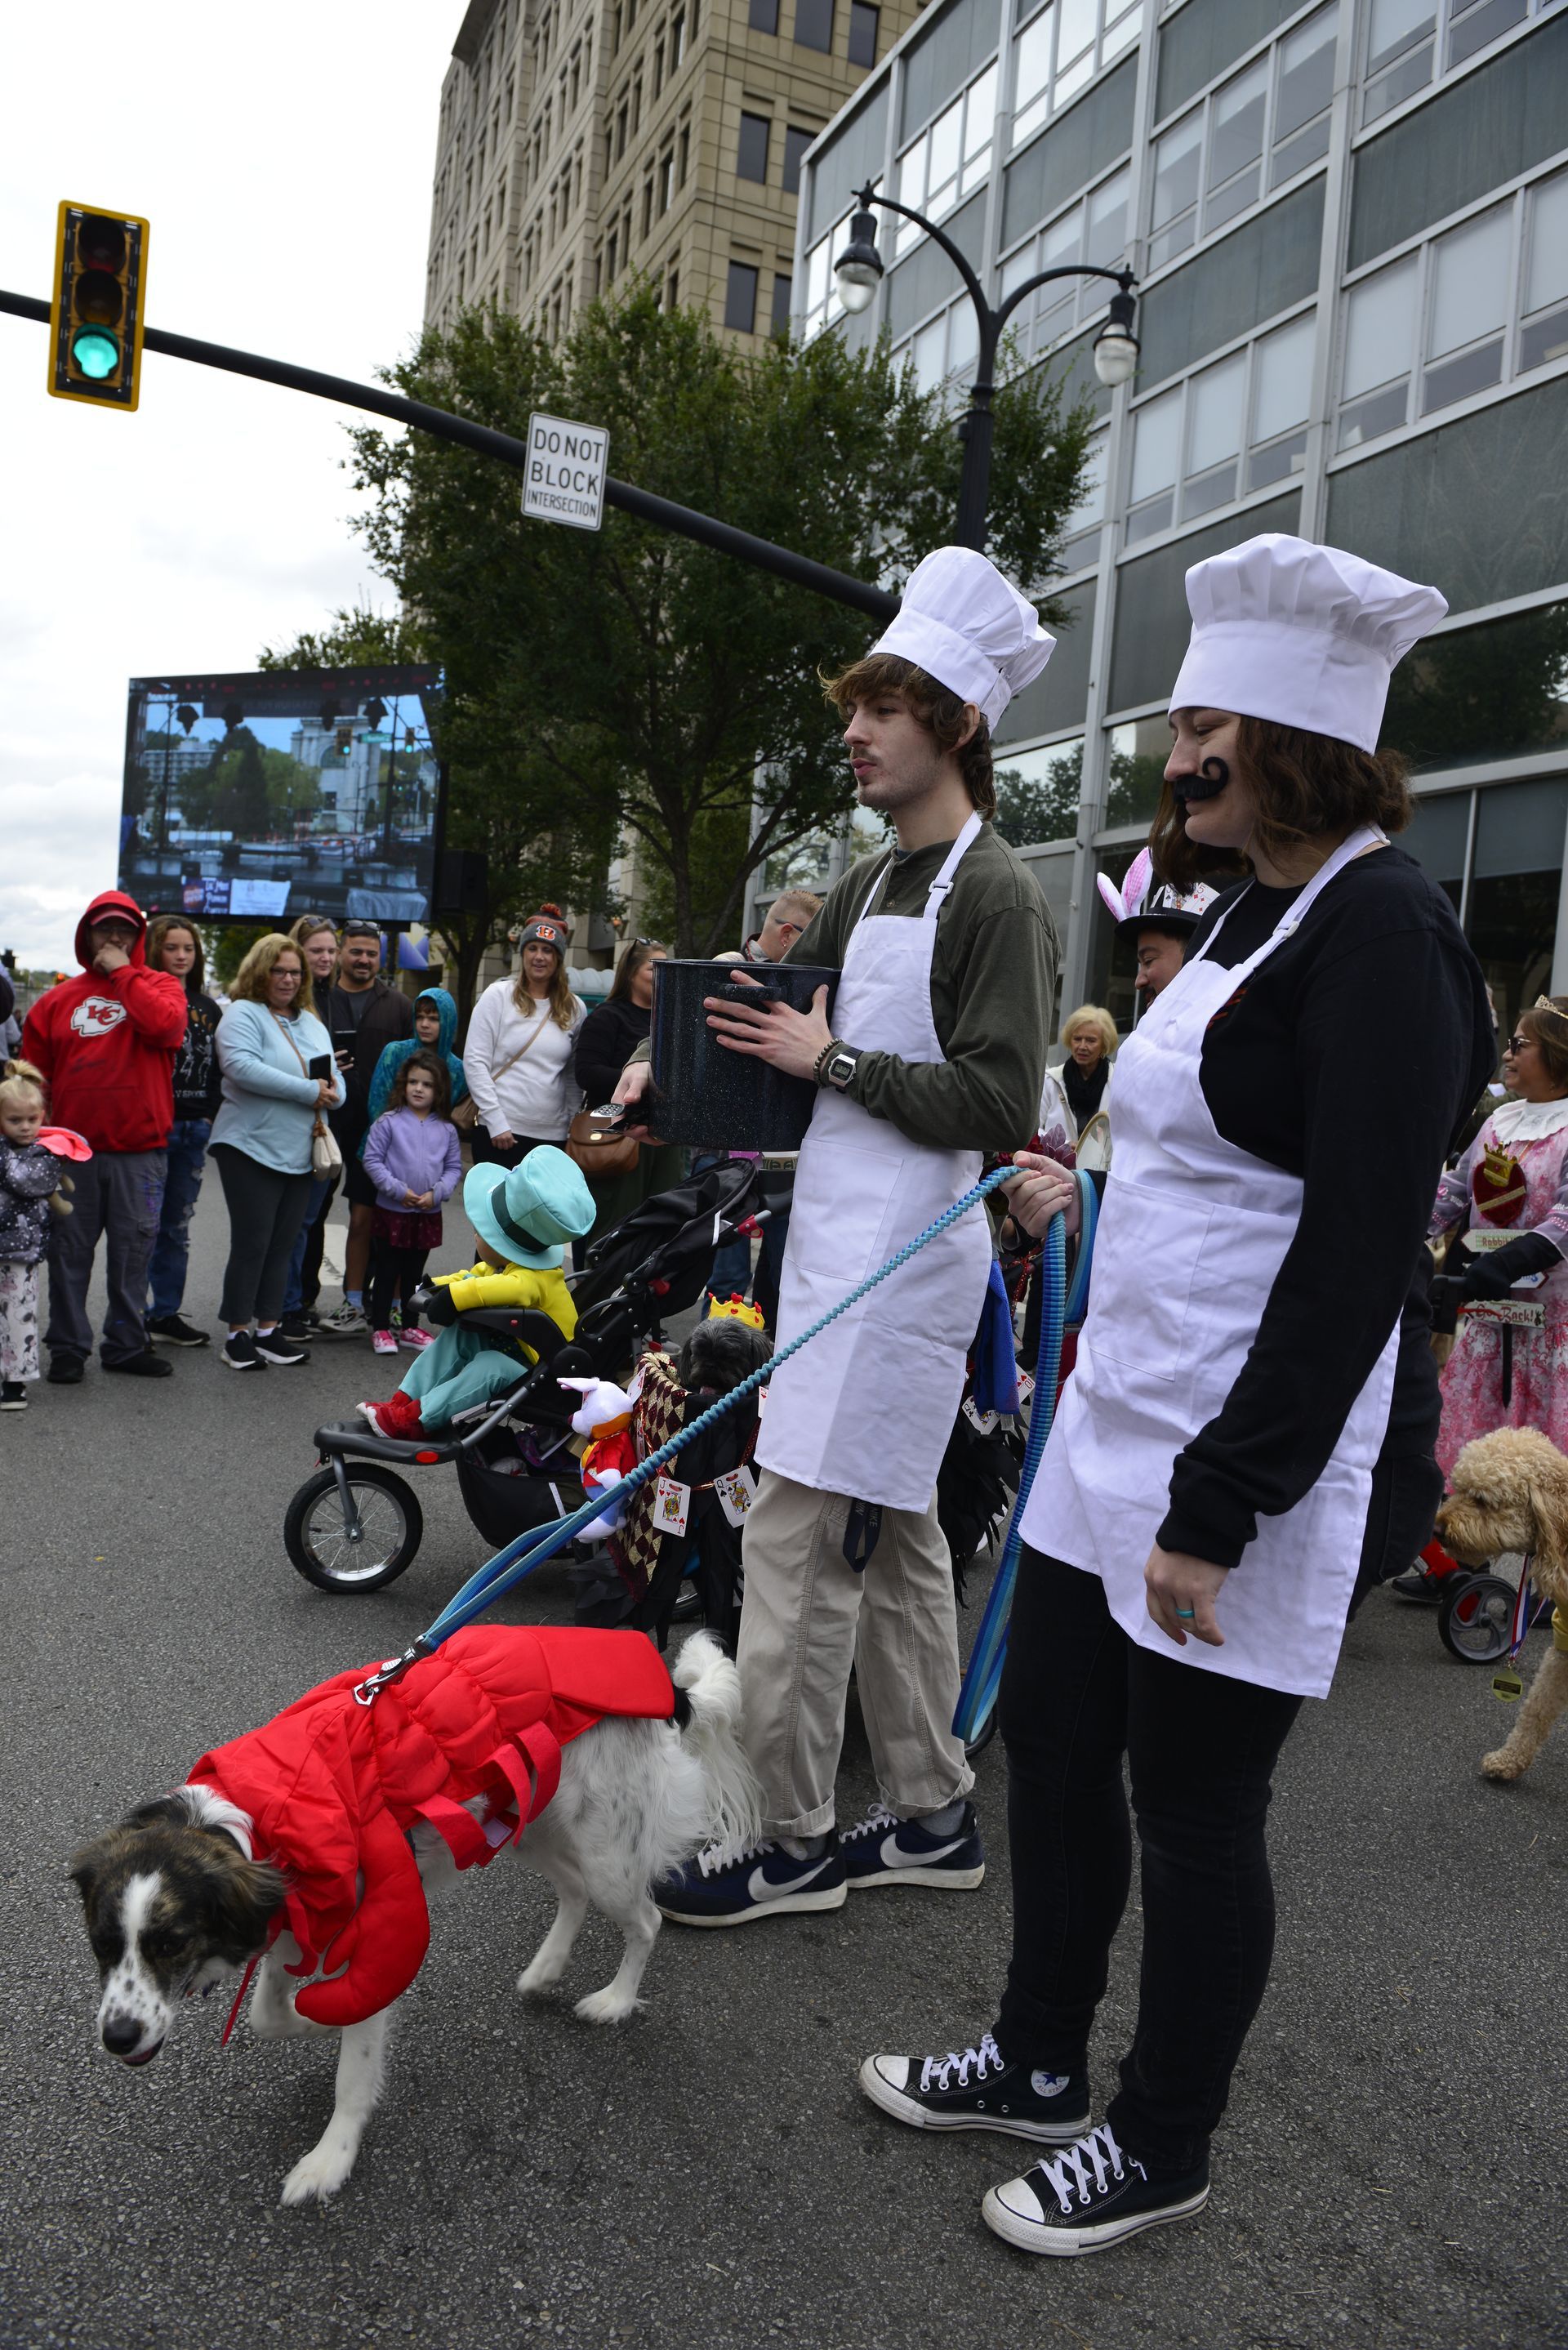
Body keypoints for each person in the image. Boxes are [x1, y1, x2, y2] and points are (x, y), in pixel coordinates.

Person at [854, 534, 1494, 2257]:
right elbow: (1212, 1168)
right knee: (1056, 1756)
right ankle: (1040, 2057)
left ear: (1287, 737)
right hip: (1108, 1422)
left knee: (1196, 1807)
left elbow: (1357, 1256)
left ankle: (1164, 2136)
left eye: (1203, 723)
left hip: (1241, 1460)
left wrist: (1227, 1499)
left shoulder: (1386, 934)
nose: (1171, 752)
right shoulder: (1255, 906)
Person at [621, 544, 1058, 1924]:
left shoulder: (1000, 894)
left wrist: (835, 1062)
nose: (854, 732)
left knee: (797, 1550)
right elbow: (802, 1036)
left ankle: (791, 1838)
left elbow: (995, 1100)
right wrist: (690, 1049)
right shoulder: (874, 880)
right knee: (905, 1540)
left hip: (906, 1268)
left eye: (885, 706)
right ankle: (929, 1809)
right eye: (854, 707)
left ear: (960, 725)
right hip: (832, 1256)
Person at [21, 889, 187, 1384]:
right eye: (103, 928)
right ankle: (68, 1348)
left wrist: (122, 972)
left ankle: (125, 1344)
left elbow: (166, 1028)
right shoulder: (54, 1001)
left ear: (137, 938)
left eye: (124, 930)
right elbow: (34, 1084)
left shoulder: (160, 986)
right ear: (86, 934)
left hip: (142, 1153)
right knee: (69, 1255)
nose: (113, 937)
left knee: (132, 1256)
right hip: (71, 1155)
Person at [358, 1148, 595, 1439]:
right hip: (514, 1352)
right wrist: (436, 1286)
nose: (475, 1235)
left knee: (488, 1367)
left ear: (504, 1245)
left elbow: (512, 1288)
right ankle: (402, 1404)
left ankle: (419, 1419)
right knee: (458, 1337)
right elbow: (474, 1276)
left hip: (540, 1372)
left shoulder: (534, 1278)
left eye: (481, 1233)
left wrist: (455, 1297)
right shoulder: (506, 1265)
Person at [1428, 996, 1568, 1475]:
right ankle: (1469, 1550)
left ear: (1556, 1054)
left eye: (1519, 1044)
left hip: (1553, 1334)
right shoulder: (1499, 1121)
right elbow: (1452, 1194)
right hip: (1488, 1322)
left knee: (1545, 1487)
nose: (1506, 1054)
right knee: (1470, 1471)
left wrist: (1508, 1261)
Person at [210, 933, 341, 1372]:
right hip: (249, 1147)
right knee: (253, 1243)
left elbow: (333, 1082)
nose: (287, 980)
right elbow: (241, 1068)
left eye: (295, 973)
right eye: (278, 971)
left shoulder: (310, 1021)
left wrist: (330, 1093)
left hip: (300, 1149)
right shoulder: (242, 1014)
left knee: (284, 1245)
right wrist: (311, 1092)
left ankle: (268, 1331)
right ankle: (236, 1335)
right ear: (259, 972)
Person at [706, 889, 824, 1306]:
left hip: (786, 1151)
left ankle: (768, 1364)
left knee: (782, 1268)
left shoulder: (808, 981)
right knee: (728, 1277)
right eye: (817, 936)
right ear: (790, 936)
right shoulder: (726, 970)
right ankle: (715, 1368)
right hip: (729, 1150)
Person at [314, 924, 415, 1337]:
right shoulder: (318, 1000)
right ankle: (303, 1304)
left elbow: (417, 1066)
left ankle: (375, 1304)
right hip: (323, 1123)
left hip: (382, 1131)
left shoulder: (399, 1005)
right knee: (315, 1217)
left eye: (371, 954)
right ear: (341, 953)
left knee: (377, 1220)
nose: (363, 961)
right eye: (356, 952)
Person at [142, 916, 224, 1349]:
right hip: (153, 1130)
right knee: (141, 1227)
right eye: (171, 948)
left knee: (176, 1227)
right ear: (155, 951)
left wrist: (209, 1115)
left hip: (194, 1130)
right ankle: (130, 1317)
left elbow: (216, 1069)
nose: (180, 956)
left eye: (188, 948)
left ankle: (164, 1313)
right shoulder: (145, 997)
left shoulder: (208, 1007)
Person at [575, 939, 685, 1243]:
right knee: (613, 1227)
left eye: (667, 968)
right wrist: (638, 1080)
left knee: (659, 1227)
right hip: (620, 1135)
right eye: (654, 968)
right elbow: (586, 1072)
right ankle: (595, 1289)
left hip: (663, 1141)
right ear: (630, 973)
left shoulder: (670, 1019)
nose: (661, 975)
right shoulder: (608, 1015)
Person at [361, 1050, 463, 1356]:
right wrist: (397, 1190)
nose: (419, 1089)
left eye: (427, 1084)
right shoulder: (388, 1122)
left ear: (439, 1090)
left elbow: (454, 1167)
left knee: (414, 1274)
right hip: (393, 1211)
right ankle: (380, 1327)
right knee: (387, 1270)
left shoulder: (446, 1129)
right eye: (413, 1082)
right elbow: (372, 1160)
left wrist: (437, 1193)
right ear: (404, 1085)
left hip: (427, 1212)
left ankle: (409, 1326)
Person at [463, 916, 584, 1168]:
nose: (539, 956)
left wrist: (573, 1124)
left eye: (547, 950)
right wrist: (496, 1121)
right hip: (499, 1133)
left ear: (558, 958)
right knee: (498, 1208)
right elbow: (475, 1061)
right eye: (533, 948)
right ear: (523, 954)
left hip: (553, 1138)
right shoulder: (497, 996)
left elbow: (572, 1075)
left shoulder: (575, 1008)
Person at [278, 917, 349, 1340]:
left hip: (328, 1122)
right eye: (315, 950)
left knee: (310, 1221)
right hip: (295, 1124)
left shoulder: (334, 998)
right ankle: (282, 1306)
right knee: (292, 1223)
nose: (324, 958)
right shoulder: (291, 1004)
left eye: (329, 950)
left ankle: (298, 1302)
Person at [0, 1059, 66, 1411]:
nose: (25, 1127)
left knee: (19, 1315)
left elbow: (27, 1182)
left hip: (22, 1250)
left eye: (32, 1119)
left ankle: (15, 1382)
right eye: (14, 1120)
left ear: (43, 1116)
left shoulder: (48, 1151)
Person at [363, 986, 469, 1131]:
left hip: (431, 1149)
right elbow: (377, 1105)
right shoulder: (395, 1052)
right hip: (384, 1142)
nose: (424, 1024)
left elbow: (448, 1118)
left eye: (433, 1019)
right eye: (419, 1017)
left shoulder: (458, 1070)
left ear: (448, 1022)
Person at [715, 888, 824, 967]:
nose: (816, 951)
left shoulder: (795, 976)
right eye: (812, 939)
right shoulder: (727, 966)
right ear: (786, 935)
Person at [1058, 1004, 1116, 1128]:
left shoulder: (1118, 1079)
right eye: (1077, 1039)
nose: (1082, 1046)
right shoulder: (1052, 1080)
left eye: (1091, 1040)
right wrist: (1064, 1144)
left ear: (1104, 1044)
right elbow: (1036, 1128)